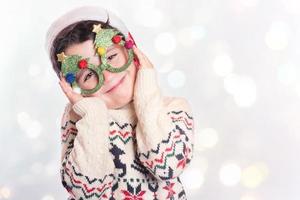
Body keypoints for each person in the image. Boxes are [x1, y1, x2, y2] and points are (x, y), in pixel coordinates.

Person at [45, 5, 195, 200]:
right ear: (74, 88)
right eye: (89, 74)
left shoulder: (172, 109)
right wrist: (93, 116)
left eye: (111, 57)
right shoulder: (81, 118)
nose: (107, 76)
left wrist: (146, 89)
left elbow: (167, 167)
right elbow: (87, 193)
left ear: (132, 51)